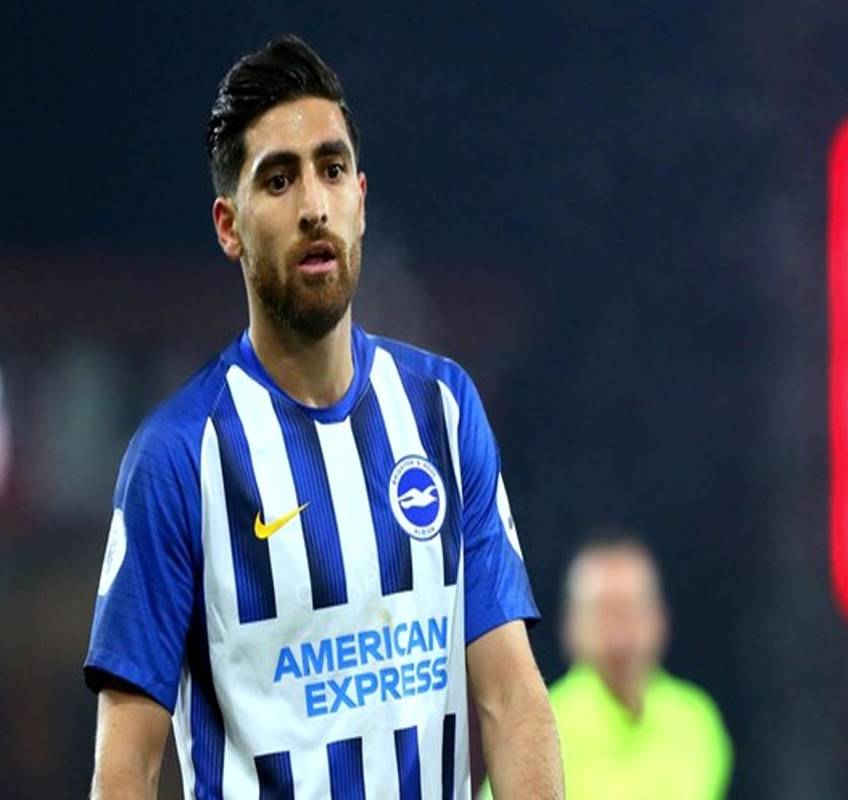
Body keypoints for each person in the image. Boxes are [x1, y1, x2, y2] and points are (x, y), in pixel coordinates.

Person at [82, 35, 562, 799]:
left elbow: (510, 698)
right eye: (278, 180)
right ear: (229, 226)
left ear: (360, 201)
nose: (313, 206)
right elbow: (127, 765)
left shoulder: (442, 411)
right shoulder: (178, 455)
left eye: (331, 170)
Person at [518, 532, 732, 800]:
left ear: (660, 619)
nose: (620, 636)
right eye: (603, 615)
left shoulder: (695, 722)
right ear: (571, 627)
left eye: (630, 612)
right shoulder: (537, 726)